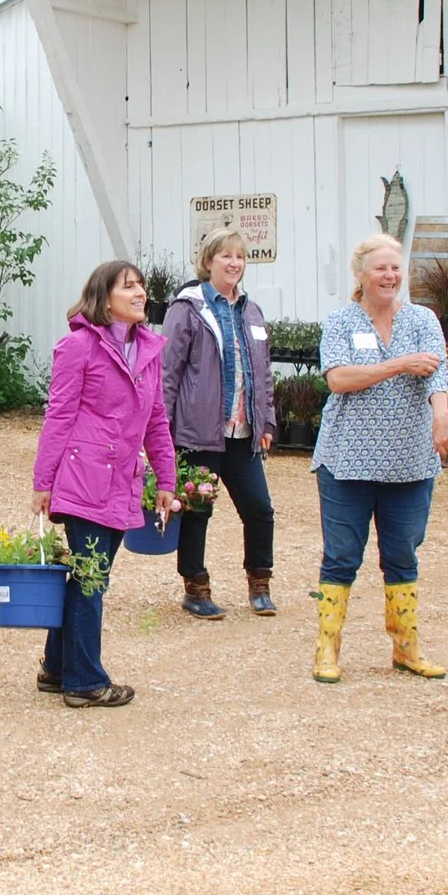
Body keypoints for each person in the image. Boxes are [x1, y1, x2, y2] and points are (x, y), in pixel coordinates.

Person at [31, 261, 181, 708]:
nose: (140, 293)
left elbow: (156, 418)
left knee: (88, 575)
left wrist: (167, 478)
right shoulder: (77, 346)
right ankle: (84, 682)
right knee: (91, 578)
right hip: (83, 479)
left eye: (141, 286)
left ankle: (57, 668)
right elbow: (58, 415)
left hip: (122, 481)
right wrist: (43, 482)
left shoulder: (148, 349)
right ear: (104, 297)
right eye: (128, 286)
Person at [311, 233, 448, 685]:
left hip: (409, 460)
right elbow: (338, 379)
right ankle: (327, 650)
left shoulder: (422, 319)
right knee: (341, 557)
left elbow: (437, 374)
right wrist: (399, 364)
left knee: (403, 556)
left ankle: (406, 648)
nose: (390, 276)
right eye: (381, 268)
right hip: (347, 460)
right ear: (361, 274)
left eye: (396, 267)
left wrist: (441, 416)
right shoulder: (341, 321)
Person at [160, 229, 278, 619]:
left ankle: (260, 583)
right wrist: (161, 429)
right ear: (208, 261)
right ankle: (195, 588)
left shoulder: (252, 310)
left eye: (240, 257)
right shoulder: (188, 308)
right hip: (199, 432)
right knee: (197, 511)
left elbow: (263, 374)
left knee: (259, 508)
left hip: (243, 432)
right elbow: (167, 372)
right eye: (226, 256)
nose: (234, 263)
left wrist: (267, 421)